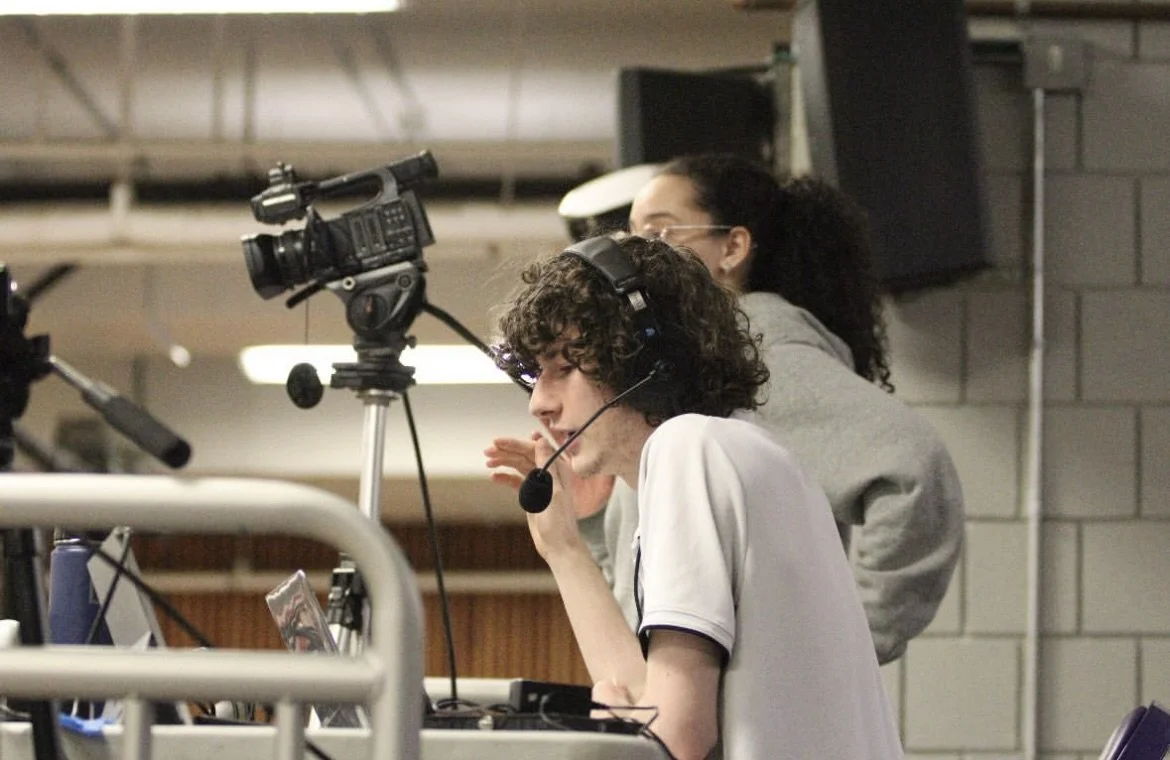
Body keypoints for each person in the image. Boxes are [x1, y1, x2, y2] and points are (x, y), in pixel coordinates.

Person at [487, 233, 903, 759]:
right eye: (537, 375)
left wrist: (618, 722)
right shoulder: (745, 454)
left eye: (563, 369)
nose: (539, 404)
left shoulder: (687, 448)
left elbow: (675, 738)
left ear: (647, 361)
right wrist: (563, 548)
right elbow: (655, 700)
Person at [540, 154, 965, 665]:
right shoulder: (669, 371)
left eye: (658, 233)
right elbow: (646, 600)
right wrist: (592, 521)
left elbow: (914, 465)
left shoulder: (760, 358)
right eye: (629, 236)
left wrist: (840, 650)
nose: (633, 256)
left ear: (733, 248)